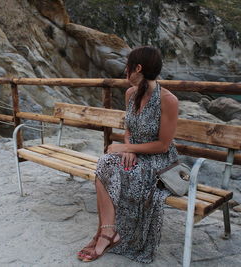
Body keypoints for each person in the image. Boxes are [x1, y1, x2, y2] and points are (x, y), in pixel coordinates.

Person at [77, 46, 179, 263]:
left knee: (120, 171)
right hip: (135, 153)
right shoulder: (130, 94)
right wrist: (128, 146)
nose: (125, 71)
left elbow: (163, 145)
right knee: (105, 163)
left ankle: (105, 235)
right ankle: (107, 232)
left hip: (158, 160)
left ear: (138, 68)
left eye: (128, 66)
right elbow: (129, 129)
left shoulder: (168, 100)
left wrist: (128, 149)